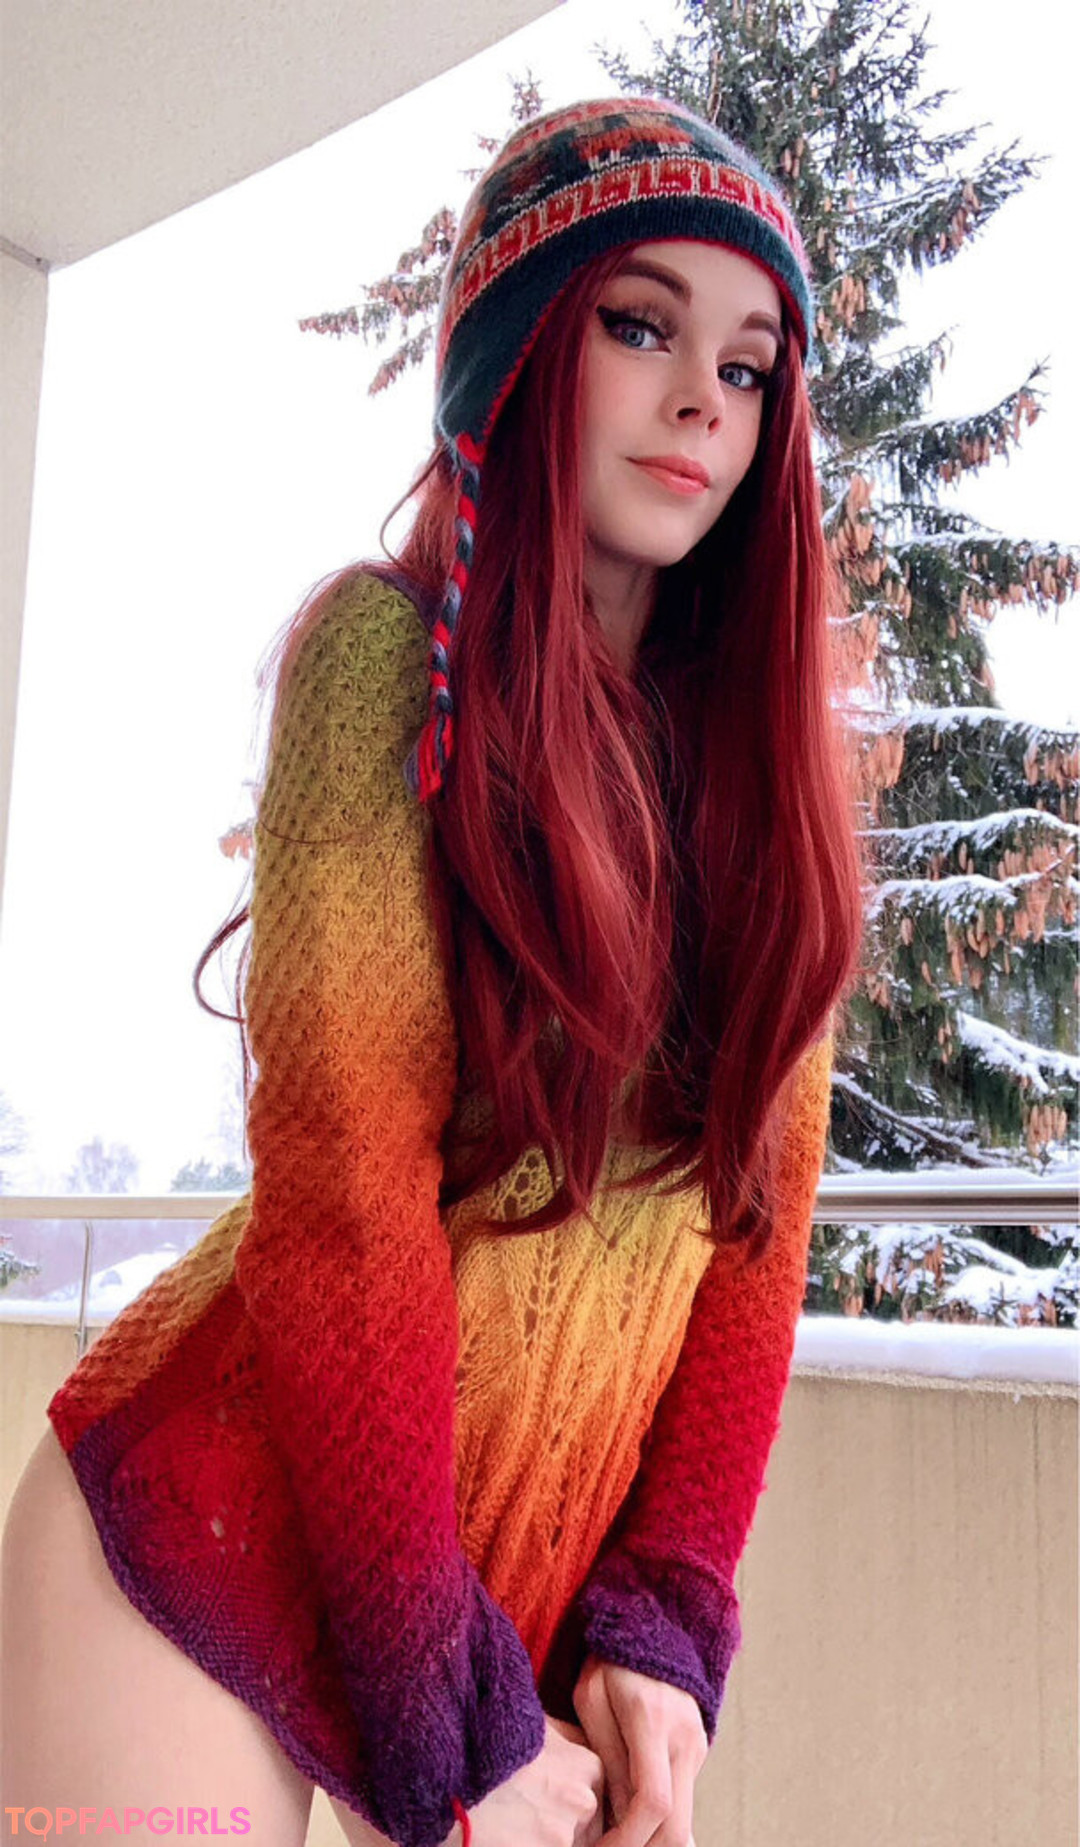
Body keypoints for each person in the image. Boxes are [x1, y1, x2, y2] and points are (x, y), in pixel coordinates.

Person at [1, 96, 866, 1847]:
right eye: (642, 327)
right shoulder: (384, 665)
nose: (707, 401)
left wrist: (661, 1626)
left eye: (749, 364)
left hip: (492, 1620)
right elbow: (344, 1204)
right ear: (517, 351)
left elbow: (754, 1249)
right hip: (214, 1550)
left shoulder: (763, 787)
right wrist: (451, 1711)